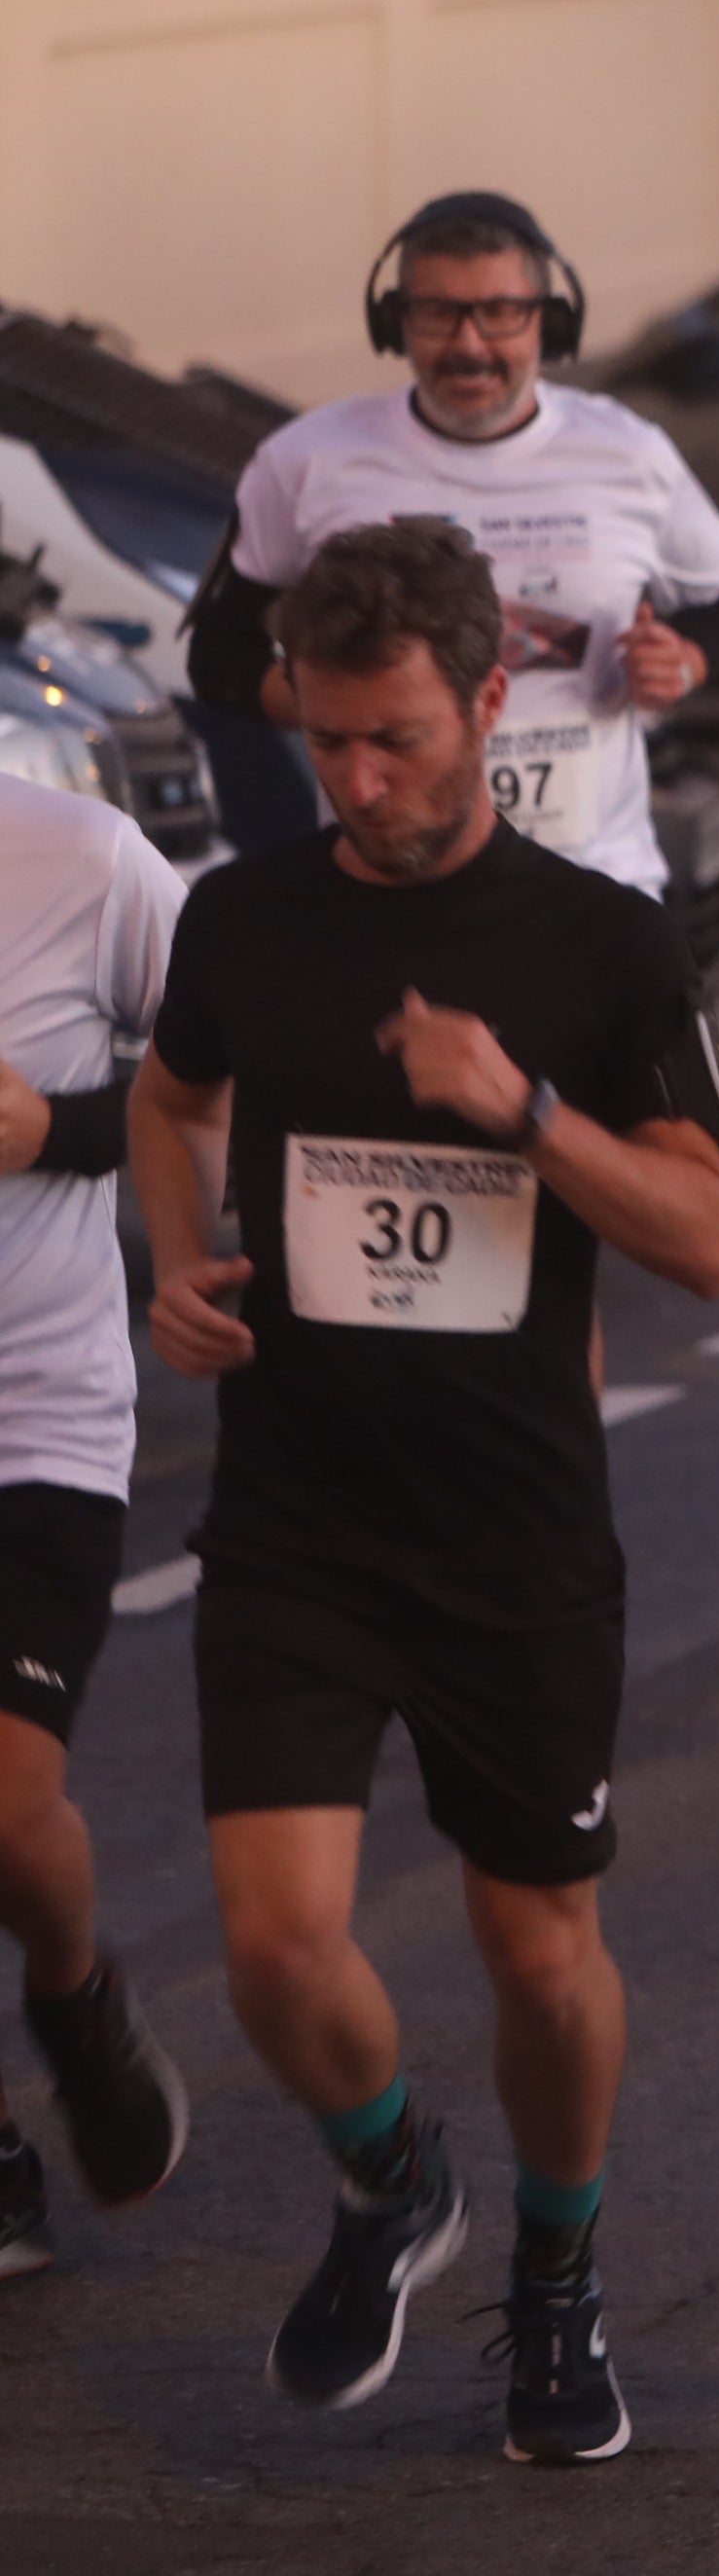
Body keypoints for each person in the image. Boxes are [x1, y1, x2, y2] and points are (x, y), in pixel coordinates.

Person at [126, 519, 719, 2463]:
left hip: (512, 1533)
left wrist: (526, 1111)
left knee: (537, 1952)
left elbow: (716, 1237)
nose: (360, 780)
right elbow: (172, 1095)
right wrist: (175, 1263)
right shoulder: (244, 918)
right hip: (300, 1516)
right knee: (272, 1940)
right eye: (327, 741)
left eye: (395, 737)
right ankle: (394, 2183)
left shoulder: (594, 943)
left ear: (490, 700)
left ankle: (557, 2275)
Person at [189, 195, 719, 901]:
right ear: (395, 322)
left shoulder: (628, 453)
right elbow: (218, 655)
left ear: (549, 320)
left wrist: (684, 659)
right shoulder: (309, 460)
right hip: (386, 888)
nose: (470, 343)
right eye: (438, 312)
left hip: (597, 886)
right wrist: (354, 713)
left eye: (500, 312)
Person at [0, 772, 197, 2282]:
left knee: (5, 1803)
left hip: (34, 1415)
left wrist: (54, 1125)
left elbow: (229, 1062)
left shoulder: (79, 854)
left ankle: (70, 1995)